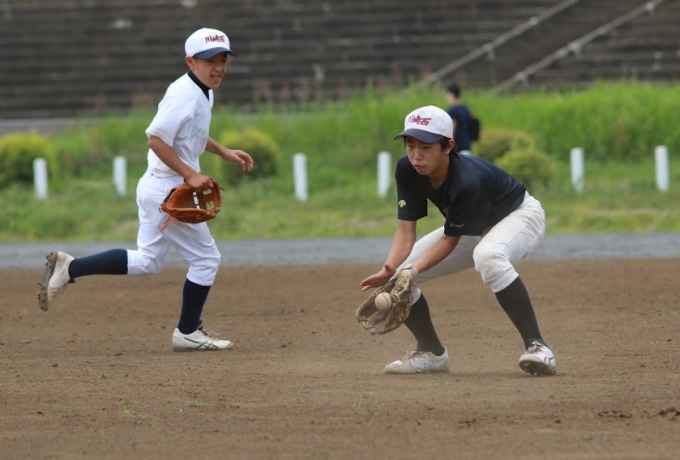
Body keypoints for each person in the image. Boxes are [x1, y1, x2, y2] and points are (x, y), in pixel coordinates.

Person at [37, 27, 254, 351]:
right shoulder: (183, 94)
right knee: (207, 259)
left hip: (157, 186)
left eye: (223, 59)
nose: (218, 67)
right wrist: (190, 175)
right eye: (210, 60)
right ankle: (187, 332)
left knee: (148, 261)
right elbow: (156, 140)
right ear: (191, 62)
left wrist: (223, 151)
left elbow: (190, 133)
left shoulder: (203, 91)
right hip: (166, 190)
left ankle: (70, 267)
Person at [360, 105, 556, 376]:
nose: (416, 155)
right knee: (399, 277)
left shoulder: (467, 180)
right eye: (410, 145)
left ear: (448, 146)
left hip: (519, 216)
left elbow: (450, 240)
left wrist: (412, 270)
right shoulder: (407, 168)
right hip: (472, 224)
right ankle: (431, 354)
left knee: (488, 256)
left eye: (426, 147)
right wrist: (391, 267)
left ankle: (539, 348)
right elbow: (406, 231)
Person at [445, 83, 475, 155]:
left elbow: (452, 129)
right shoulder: (467, 109)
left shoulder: (453, 110)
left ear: (451, 94)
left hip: (457, 147)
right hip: (467, 145)